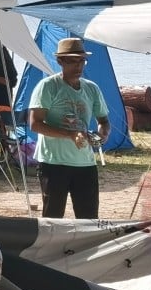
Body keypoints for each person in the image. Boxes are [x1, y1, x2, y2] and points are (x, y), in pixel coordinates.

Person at [28, 37, 111, 219]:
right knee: (53, 218)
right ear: (60, 61)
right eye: (73, 61)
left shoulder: (91, 88)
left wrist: (102, 135)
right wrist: (70, 134)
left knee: (89, 219)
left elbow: (104, 120)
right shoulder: (48, 86)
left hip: (85, 164)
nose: (78, 66)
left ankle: (86, 249)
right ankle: (51, 249)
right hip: (53, 163)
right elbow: (35, 124)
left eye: (82, 61)